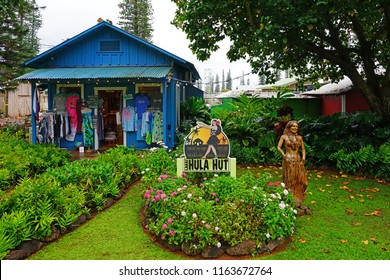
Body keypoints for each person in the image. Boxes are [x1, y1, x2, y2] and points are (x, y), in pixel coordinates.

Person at [277, 120, 308, 209]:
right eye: (293, 126)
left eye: (296, 126)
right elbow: (278, 147)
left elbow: (303, 149)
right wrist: (284, 156)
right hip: (289, 160)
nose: (295, 128)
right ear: (289, 127)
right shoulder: (284, 137)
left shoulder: (299, 138)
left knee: (303, 182)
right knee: (290, 181)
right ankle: (290, 200)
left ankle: (299, 199)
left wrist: (303, 158)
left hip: (298, 160)